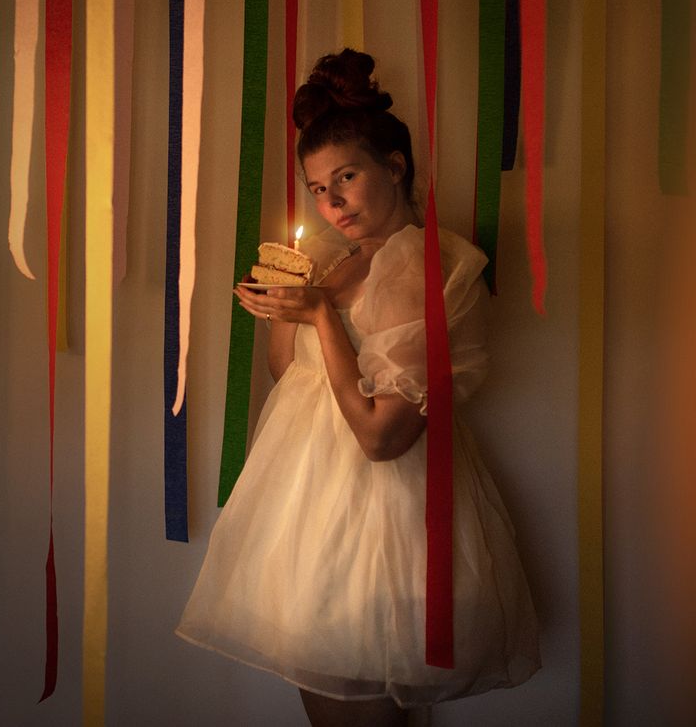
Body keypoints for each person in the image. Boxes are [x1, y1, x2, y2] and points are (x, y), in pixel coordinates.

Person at [176, 49, 540, 726]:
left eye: (346, 176)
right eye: (317, 187)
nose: (332, 200)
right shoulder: (327, 257)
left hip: (386, 523)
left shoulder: (429, 269)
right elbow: (293, 378)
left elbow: (381, 436)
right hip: (302, 515)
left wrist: (316, 312)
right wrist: (282, 308)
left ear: (393, 167)